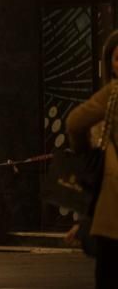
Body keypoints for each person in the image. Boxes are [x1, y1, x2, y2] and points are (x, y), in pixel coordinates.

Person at [67, 30, 118, 288]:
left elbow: (75, 122)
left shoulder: (112, 93)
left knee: (109, 272)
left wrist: (84, 150)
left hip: (113, 207)